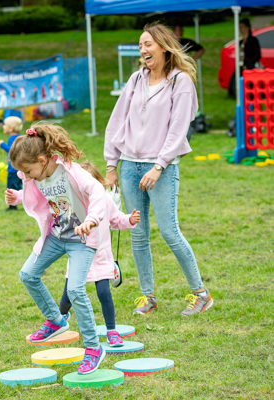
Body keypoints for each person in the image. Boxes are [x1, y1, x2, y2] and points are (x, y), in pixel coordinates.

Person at [104, 22, 213, 316]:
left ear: (164, 47)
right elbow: (117, 121)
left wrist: (159, 166)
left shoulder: (181, 82)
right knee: (137, 233)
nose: (143, 50)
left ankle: (201, 293)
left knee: (169, 231)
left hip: (161, 168)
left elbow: (178, 131)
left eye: (148, 44)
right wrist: (111, 163)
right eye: (140, 45)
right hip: (129, 165)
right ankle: (147, 297)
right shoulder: (136, 79)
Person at [5, 123, 108, 375]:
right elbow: (39, 195)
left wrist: (91, 220)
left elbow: (97, 192)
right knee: (27, 274)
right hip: (56, 235)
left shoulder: (70, 171)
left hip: (81, 238)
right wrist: (18, 197)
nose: (27, 177)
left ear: (42, 160)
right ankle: (56, 320)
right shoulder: (35, 175)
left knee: (74, 289)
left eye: (28, 171)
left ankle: (94, 348)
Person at [59, 161, 140, 347]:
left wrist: (129, 219)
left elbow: (116, 219)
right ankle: (60, 318)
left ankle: (111, 331)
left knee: (104, 293)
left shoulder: (104, 200)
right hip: (78, 257)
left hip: (101, 257)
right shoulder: (72, 204)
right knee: (67, 296)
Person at [0, 116, 23, 211]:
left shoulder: (12, 138)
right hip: (19, 168)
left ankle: (12, 206)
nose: (3, 126)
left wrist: (2, 145)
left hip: (13, 169)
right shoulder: (19, 137)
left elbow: (11, 151)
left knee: (11, 187)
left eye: (5, 125)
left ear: (11, 128)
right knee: (18, 186)